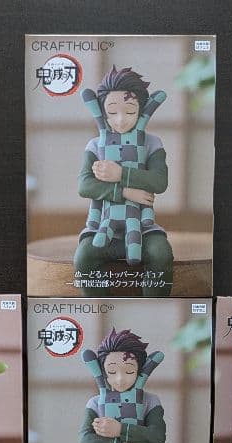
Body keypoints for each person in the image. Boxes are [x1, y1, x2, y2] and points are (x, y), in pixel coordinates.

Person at [74, 66, 174, 297]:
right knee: (84, 256)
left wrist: (121, 173)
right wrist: (125, 192)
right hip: (102, 226)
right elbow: (85, 186)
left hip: (143, 227)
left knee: (161, 253)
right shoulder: (95, 145)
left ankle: (154, 308)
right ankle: (100, 307)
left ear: (141, 111)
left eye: (129, 112)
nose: (120, 120)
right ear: (102, 112)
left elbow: (159, 182)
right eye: (112, 112)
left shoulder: (152, 142)